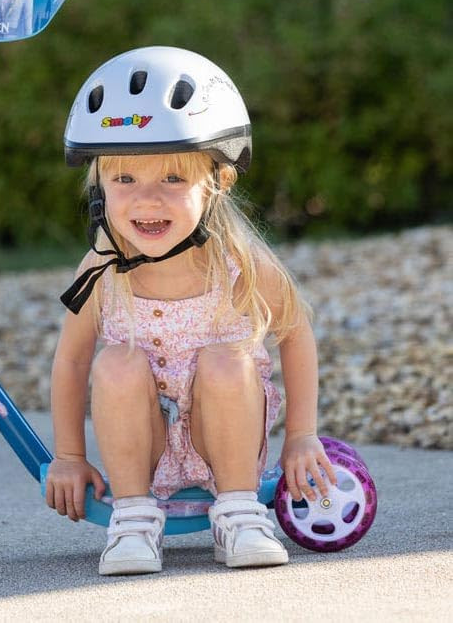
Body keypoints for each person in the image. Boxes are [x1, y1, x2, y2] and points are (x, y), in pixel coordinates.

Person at [46, 46, 336, 575]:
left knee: (228, 359)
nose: (146, 201)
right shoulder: (102, 266)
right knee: (115, 362)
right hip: (145, 440)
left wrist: (301, 434)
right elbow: (70, 361)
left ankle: (239, 512)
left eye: (172, 180)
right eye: (125, 180)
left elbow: (295, 331)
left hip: (225, 428)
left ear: (217, 182)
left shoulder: (239, 261)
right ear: (99, 187)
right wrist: (68, 456)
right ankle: (133, 519)